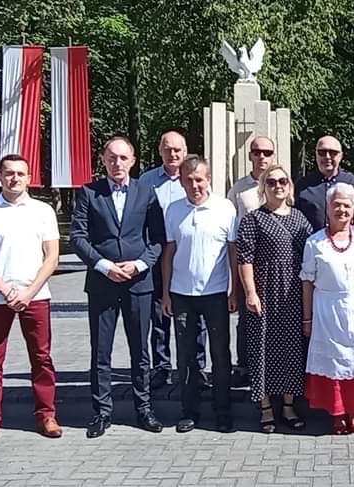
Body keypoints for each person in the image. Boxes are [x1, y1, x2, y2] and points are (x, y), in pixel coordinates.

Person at [71, 136, 166, 438]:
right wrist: (103, 265)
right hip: (102, 284)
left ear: (133, 161)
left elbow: (157, 240)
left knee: (141, 351)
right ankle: (101, 413)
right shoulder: (89, 193)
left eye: (123, 158)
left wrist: (139, 265)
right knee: (101, 351)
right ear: (103, 160)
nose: (117, 164)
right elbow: (78, 237)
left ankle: (144, 409)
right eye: (112, 158)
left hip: (139, 284)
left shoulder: (147, 192)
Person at [0, 154, 61, 449]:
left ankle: (46, 415)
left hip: (36, 296)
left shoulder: (43, 211)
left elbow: (52, 257)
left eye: (20, 173)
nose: (15, 178)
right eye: (9, 173)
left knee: (41, 358)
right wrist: (6, 290)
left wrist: (29, 292)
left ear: (29, 177)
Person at [160, 155, 237, 434]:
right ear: (181, 182)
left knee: (220, 354)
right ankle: (189, 410)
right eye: (189, 180)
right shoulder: (173, 210)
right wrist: (166, 294)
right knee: (186, 356)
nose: (195, 185)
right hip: (181, 294)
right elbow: (169, 252)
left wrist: (234, 290)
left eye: (199, 180)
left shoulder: (225, 209)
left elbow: (232, 251)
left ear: (209, 180)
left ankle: (223, 411)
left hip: (215, 292)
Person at [237, 164, 314, 433]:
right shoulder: (253, 219)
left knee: (291, 348)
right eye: (271, 182)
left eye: (283, 181)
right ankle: (266, 408)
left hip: (293, 292)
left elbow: (311, 257)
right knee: (263, 349)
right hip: (264, 291)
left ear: (290, 186)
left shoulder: (300, 219)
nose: (278, 186)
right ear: (263, 188)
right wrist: (250, 292)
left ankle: (289, 406)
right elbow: (244, 258)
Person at [301, 183, 354, 435]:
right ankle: (336, 415)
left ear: (353, 209)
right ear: (327, 208)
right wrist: (307, 319)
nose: (341, 209)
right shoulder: (315, 242)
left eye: (346, 205)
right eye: (336, 204)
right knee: (333, 363)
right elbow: (307, 282)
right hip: (326, 311)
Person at [138, 130, 190, 390]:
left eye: (177, 150)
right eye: (168, 149)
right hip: (157, 256)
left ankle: (195, 367)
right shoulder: (147, 181)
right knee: (159, 315)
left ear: (185, 151)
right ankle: (161, 366)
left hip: (187, 257)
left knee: (193, 318)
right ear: (160, 151)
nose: (173, 154)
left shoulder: (193, 177)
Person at [228, 136, 276, 387]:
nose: (262, 156)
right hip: (247, 261)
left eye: (267, 152)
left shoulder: (280, 184)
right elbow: (231, 232)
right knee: (246, 318)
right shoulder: (238, 189)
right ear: (250, 155)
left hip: (274, 263)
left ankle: (271, 365)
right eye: (257, 152)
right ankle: (245, 365)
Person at [294, 135, 354, 231]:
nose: (327, 156)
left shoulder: (353, 183)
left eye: (333, 153)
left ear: (341, 156)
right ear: (316, 154)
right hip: (310, 243)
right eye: (322, 152)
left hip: (344, 244)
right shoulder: (302, 185)